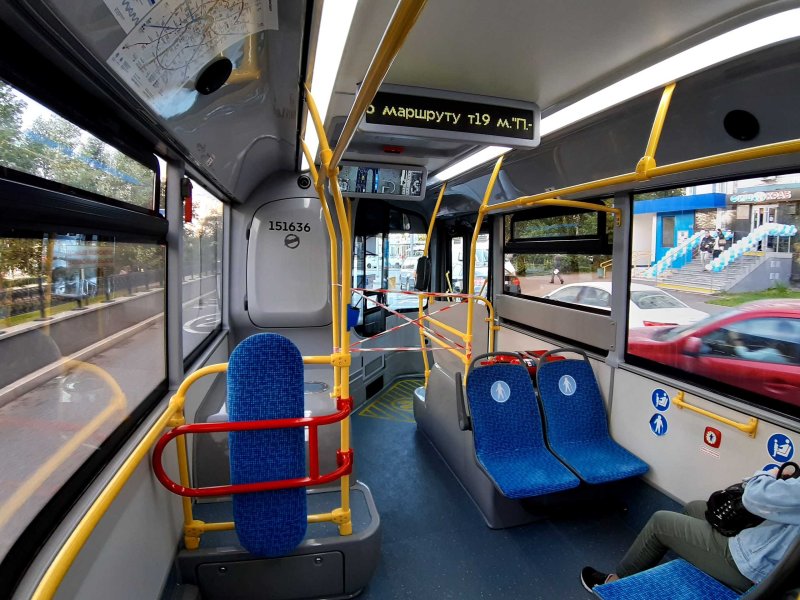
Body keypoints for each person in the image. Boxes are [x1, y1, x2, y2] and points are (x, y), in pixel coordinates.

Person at [581, 465, 800, 594]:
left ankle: (615, 584)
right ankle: (688, 573)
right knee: (695, 508)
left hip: (750, 566)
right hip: (763, 548)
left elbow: (753, 496)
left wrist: (767, 474)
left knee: (660, 523)